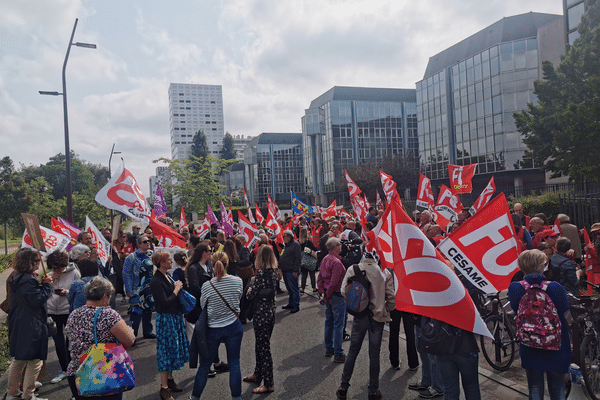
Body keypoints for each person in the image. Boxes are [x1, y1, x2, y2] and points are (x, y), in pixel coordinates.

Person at [508, 250, 571, 400]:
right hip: (556, 346)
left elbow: (516, 309)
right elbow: (566, 314)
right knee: (557, 389)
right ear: (542, 266)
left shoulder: (516, 288)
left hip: (530, 345)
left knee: (535, 388)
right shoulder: (555, 287)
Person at [336, 251, 395, 400]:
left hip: (359, 316)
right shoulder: (384, 272)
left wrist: (359, 303)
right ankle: (373, 390)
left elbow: (344, 290)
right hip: (377, 316)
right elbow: (391, 298)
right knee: (374, 354)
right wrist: (386, 307)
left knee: (353, 351)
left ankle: (343, 387)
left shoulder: (353, 268)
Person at [65, 277, 135, 400]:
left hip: (78, 373)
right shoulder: (108, 315)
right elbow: (129, 341)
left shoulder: (73, 314)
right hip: (104, 374)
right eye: (109, 296)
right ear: (104, 296)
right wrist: (130, 331)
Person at [190, 252, 244, 400]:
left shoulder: (207, 286)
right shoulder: (237, 281)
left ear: (211, 265)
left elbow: (203, 306)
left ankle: (195, 397)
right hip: (233, 325)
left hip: (213, 328)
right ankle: (237, 397)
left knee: (205, 365)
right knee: (234, 362)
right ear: (227, 264)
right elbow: (238, 300)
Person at [7, 248, 53, 400]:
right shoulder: (29, 280)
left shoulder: (17, 278)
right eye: (38, 261)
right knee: (35, 360)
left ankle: (13, 392)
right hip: (32, 324)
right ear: (31, 263)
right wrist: (47, 286)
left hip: (19, 322)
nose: (40, 263)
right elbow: (37, 300)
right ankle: (28, 395)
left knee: (19, 359)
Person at [149, 251, 190, 400]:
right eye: (168, 260)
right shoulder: (155, 281)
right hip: (166, 320)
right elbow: (165, 302)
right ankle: (164, 387)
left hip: (174, 317)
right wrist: (176, 289)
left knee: (173, 350)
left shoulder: (166, 275)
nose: (171, 262)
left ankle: (170, 380)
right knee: (165, 353)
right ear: (161, 263)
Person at [186, 244, 228, 375]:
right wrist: (209, 296)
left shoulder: (209, 265)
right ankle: (205, 366)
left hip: (210, 305)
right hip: (200, 307)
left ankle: (217, 363)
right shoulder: (194, 268)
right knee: (203, 337)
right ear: (204, 253)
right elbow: (195, 289)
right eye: (210, 251)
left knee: (212, 336)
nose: (212, 253)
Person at [243, 245, 279, 394]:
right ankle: (258, 374)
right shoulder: (274, 272)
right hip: (270, 313)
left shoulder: (261, 274)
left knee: (263, 348)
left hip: (261, 314)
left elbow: (250, 296)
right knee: (261, 346)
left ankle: (268, 383)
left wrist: (250, 289)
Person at [46, 249, 81, 385]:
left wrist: (66, 292)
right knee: (58, 341)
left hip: (68, 310)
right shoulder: (49, 274)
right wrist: (48, 283)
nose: (57, 270)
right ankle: (64, 369)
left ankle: (73, 367)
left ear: (64, 264)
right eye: (54, 268)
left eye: (59, 267)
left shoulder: (74, 273)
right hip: (52, 311)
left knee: (71, 340)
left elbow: (79, 292)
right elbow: (43, 293)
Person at [317, 237, 347, 363]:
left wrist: (322, 293)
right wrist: (327, 295)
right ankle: (338, 353)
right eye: (339, 244)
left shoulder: (325, 259)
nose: (341, 246)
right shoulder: (336, 262)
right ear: (335, 247)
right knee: (338, 325)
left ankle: (329, 348)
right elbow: (334, 282)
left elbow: (320, 278)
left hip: (328, 295)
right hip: (336, 295)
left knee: (329, 322)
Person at [122, 234, 156, 339]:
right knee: (135, 313)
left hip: (149, 289)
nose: (148, 243)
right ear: (139, 244)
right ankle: (132, 335)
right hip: (136, 289)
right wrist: (129, 290)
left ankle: (148, 331)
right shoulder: (131, 257)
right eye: (145, 242)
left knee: (148, 311)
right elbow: (126, 274)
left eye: (149, 241)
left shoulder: (153, 255)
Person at [278, 230, 301, 313]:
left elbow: (298, 258)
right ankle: (291, 303)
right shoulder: (287, 245)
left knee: (294, 288)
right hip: (286, 270)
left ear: (289, 237)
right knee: (289, 289)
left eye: (285, 236)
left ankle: (296, 305)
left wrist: (295, 270)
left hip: (291, 271)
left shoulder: (295, 245)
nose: (283, 238)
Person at [299, 227, 318, 293]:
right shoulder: (308, 242)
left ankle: (302, 288)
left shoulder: (299, 242)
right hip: (310, 260)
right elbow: (314, 249)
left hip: (303, 261)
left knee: (304, 275)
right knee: (312, 274)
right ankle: (314, 288)